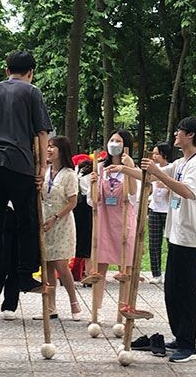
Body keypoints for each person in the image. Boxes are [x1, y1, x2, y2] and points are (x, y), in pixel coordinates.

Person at [118, 116, 196, 363]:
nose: (176, 134)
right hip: (177, 234)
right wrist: (121, 167)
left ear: (190, 135)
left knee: (186, 290)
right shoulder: (181, 162)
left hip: (191, 236)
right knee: (172, 289)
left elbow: (188, 191)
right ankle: (180, 337)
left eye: (180, 131)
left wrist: (159, 172)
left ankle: (189, 345)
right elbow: (151, 176)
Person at [0, 50, 53, 302]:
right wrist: (42, 169)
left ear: (7, 70)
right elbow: (41, 133)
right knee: (27, 220)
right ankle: (25, 273)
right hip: (20, 165)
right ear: (31, 72)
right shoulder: (32, 92)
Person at [87, 129, 138, 319]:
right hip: (104, 221)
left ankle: (123, 309)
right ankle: (96, 310)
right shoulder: (100, 167)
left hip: (124, 221)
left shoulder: (130, 168)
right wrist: (92, 183)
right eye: (111, 140)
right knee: (99, 266)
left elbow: (133, 194)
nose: (113, 144)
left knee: (126, 268)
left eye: (118, 141)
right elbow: (94, 200)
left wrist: (129, 168)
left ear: (125, 146)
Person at [34, 136, 82, 321]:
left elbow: (72, 202)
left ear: (61, 150)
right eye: (48, 146)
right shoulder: (44, 171)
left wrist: (55, 217)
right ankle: (50, 306)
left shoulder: (69, 174)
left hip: (61, 222)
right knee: (46, 265)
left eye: (52, 147)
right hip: (44, 222)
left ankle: (74, 303)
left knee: (61, 265)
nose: (48, 150)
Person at [148, 142, 171, 283]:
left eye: (157, 154)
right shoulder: (153, 169)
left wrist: (167, 185)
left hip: (169, 210)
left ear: (164, 155)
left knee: (171, 242)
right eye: (153, 153)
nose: (154, 156)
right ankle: (156, 274)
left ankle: (171, 272)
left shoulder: (171, 168)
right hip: (155, 208)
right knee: (154, 243)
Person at [72, 155, 93, 282]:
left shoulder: (75, 172)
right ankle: (89, 273)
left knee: (76, 239)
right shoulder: (93, 174)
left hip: (77, 206)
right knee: (88, 241)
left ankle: (69, 272)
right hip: (89, 207)